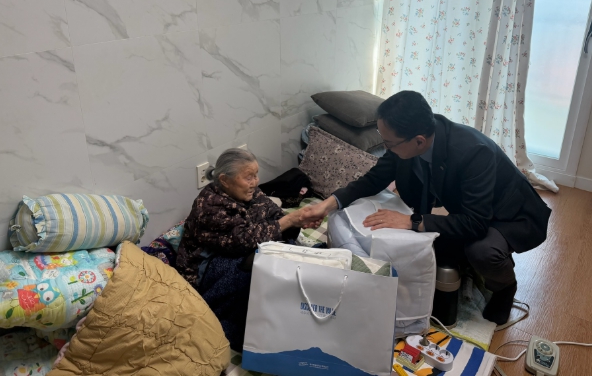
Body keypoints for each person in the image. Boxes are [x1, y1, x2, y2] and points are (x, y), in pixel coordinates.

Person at [302, 91, 551, 325]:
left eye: (389, 144)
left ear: (419, 141)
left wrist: (413, 221)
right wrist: (328, 204)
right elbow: (374, 178)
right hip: (473, 207)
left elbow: (476, 222)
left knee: (482, 251)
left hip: (511, 215)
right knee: (431, 248)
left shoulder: (474, 151)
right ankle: (467, 262)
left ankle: (505, 286)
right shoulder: (415, 138)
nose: (386, 148)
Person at [175, 148, 318, 351]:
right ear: (225, 180)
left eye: (256, 175)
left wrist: (298, 221)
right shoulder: (209, 206)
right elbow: (242, 241)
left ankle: (283, 314)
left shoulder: (251, 192)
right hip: (207, 270)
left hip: (241, 252)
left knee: (286, 255)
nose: (255, 182)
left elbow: (275, 214)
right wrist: (288, 221)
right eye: (248, 177)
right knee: (256, 267)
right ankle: (235, 329)